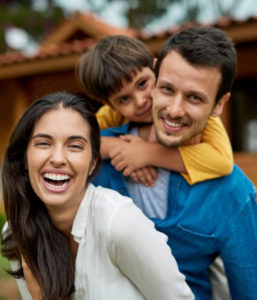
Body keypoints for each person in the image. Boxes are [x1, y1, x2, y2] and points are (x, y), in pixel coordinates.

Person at [91, 27, 257, 300]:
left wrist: (148, 154)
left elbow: (249, 290)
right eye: (167, 89)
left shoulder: (233, 194)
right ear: (155, 77)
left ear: (219, 105)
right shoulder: (93, 154)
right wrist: (109, 147)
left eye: (195, 97)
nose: (174, 110)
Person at [1, 92, 194, 300]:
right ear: (24, 157)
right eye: (43, 143)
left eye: (75, 146)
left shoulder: (119, 223)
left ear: (93, 162)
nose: (58, 158)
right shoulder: (16, 232)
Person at [77, 35, 233, 187]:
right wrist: (119, 149)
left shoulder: (197, 113)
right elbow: (72, 139)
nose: (140, 101)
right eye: (124, 99)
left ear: (157, 69)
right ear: (112, 106)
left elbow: (222, 161)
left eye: (142, 84)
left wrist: (148, 154)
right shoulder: (111, 114)